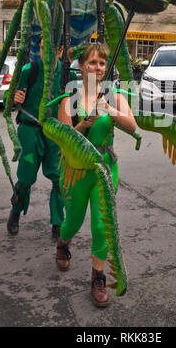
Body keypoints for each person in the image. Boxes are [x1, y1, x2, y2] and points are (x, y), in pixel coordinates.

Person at [56, 44, 137, 307]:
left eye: (102, 63)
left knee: (102, 226)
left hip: (104, 169)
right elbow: (65, 140)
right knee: (74, 221)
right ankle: (63, 242)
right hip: (76, 170)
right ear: (80, 66)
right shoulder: (69, 100)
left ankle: (97, 277)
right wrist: (82, 124)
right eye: (91, 62)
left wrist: (109, 110)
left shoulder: (113, 96)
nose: (97, 67)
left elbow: (132, 125)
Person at [7, 38, 65, 239]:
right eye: (41, 49)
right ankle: (15, 213)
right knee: (25, 178)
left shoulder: (67, 75)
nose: (44, 54)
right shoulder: (28, 70)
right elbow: (11, 101)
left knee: (59, 179)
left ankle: (58, 223)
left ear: (60, 50)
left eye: (49, 50)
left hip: (55, 135)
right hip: (29, 131)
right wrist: (15, 98)